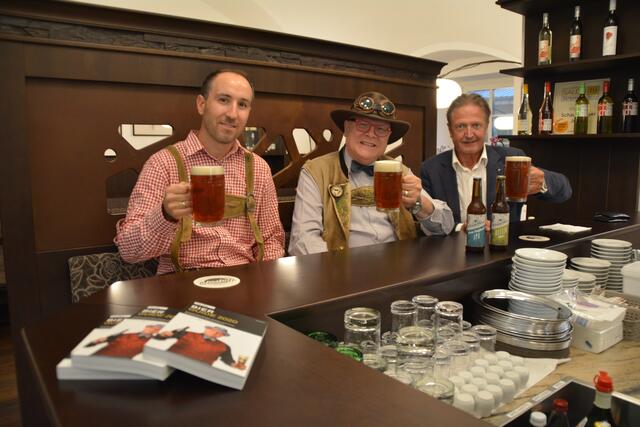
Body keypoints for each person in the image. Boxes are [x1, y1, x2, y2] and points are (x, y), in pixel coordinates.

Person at [116, 70, 285, 273]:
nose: (232, 114)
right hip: (181, 282)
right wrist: (164, 215)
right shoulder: (163, 163)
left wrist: (262, 281)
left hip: (244, 282)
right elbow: (128, 251)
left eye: (242, 104)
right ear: (201, 104)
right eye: (223, 100)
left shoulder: (258, 168)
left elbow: (272, 239)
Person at [288, 91, 454, 256]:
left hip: (399, 273)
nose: (371, 134)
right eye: (362, 125)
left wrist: (419, 203)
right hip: (342, 275)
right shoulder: (316, 172)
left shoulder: (400, 171)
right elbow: (303, 241)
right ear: (347, 128)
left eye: (381, 129)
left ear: (388, 136)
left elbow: (446, 226)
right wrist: (335, 275)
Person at [421, 93, 572, 227]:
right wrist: (462, 228)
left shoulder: (512, 160)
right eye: (460, 126)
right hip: (452, 253)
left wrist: (542, 183)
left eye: (476, 125)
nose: (469, 134)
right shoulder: (431, 169)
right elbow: (427, 223)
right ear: (450, 131)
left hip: (502, 252)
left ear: (486, 127)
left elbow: (565, 191)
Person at [157, 325, 246, 369]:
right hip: (170, 365)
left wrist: (236, 366)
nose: (215, 333)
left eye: (219, 333)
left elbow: (228, 360)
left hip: (199, 372)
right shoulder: (186, 333)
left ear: (221, 336)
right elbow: (159, 338)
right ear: (207, 329)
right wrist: (163, 334)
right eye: (213, 330)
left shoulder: (225, 347)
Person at [85, 324, 163, 358]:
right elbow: (89, 345)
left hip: (120, 364)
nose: (152, 329)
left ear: (157, 331)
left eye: (156, 329)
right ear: (146, 327)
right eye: (151, 327)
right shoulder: (124, 334)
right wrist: (96, 341)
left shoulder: (151, 342)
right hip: (99, 356)